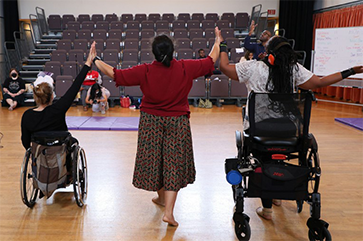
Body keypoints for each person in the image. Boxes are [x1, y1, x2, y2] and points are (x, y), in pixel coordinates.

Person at [218, 33, 363, 220]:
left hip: (259, 130)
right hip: (289, 130)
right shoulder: (293, 70)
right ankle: (278, 194)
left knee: (262, 158)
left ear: (269, 54)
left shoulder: (252, 67)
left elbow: (223, 67)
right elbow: (319, 83)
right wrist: (350, 71)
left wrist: (222, 44)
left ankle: (267, 209)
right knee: (279, 157)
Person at [91, 27, 222, 226]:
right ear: (172, 52)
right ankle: (167, 209)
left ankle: (163, 200)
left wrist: (95, 59)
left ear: (154, 53)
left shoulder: (145, 70)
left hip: (150, 121)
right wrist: (217, 41)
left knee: (156, 160)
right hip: (177, 121)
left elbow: (115, 74)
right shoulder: (185, 67)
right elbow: (212, 59)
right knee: (173, 163)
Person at [21, 43, 96, 150]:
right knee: (73, 142)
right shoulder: (58, 109)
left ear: (36, 97)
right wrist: (88, 62)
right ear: (52, 96)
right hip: (60, 154)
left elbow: (25, 143)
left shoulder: (27, 116)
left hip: (40, 156)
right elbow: (75, 87)